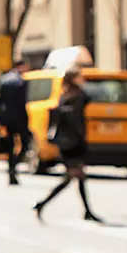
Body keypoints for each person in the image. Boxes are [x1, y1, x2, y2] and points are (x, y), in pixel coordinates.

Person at [34, 68, 101, 222]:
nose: (83, 79)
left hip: (66, 142)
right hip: (74, 143)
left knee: (79, 177)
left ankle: (87, 211)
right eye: (79, 77)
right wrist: (83, 140)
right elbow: (77, 121)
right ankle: (42, 204)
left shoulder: (65, 95)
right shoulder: (77, 96)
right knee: (73, 176)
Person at [0, 56, 32, 186]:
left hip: (7, 118)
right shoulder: (21, 82)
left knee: (10, 146)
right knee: (25, 143)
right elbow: (23, 102)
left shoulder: (3, 80)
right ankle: (13, 168)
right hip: (19, 118)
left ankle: (11, 170)